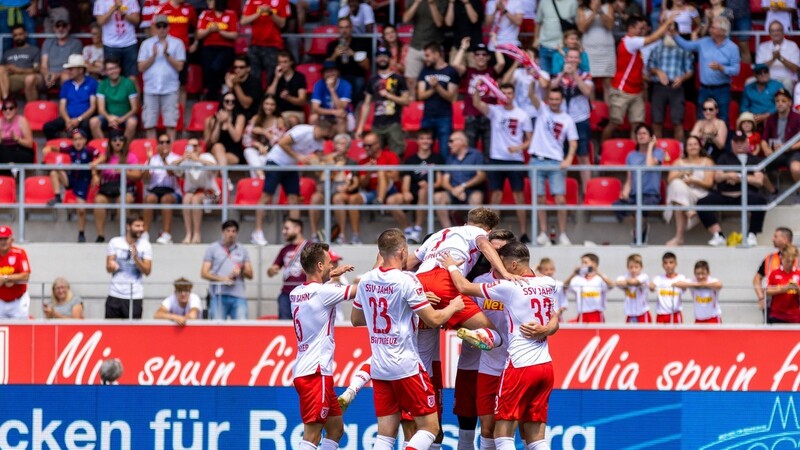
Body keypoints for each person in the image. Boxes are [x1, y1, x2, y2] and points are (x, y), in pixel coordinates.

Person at [351, 228, 464, 450]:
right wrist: (453, 306)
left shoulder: (365, 280)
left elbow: (356, 319)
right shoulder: (407, 280)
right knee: (431, 427)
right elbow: (433, 320)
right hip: (406, 366)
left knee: (385, 434)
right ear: (403, 251)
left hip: (380, 367)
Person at [439, 241, 559, 450]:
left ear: (512, 266)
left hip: (520, 366)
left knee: (502, 433)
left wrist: (450, 265)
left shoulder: (509, 287)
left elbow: (463, 287)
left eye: (501, 263)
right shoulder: (548, 283)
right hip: (545, 366)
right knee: (536, 437)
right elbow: (554, 313)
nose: (496, 267)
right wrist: (548, 328)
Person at [407, 207, 521, 351]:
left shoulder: (439, 234)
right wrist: (504, 272)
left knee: (426, 344)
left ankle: (453, 323)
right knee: (495, 336)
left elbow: (408, 263)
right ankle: (470, 332)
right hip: (444, 279)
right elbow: (484, 245)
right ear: (488, 230)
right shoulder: (478, 232)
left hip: (419, 282)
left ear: (467, 222)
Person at [291, 242, 357, 450]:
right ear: (319, 266)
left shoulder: (296, 293)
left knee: (336, 429)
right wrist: (382, 267)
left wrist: (330, 275)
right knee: (312, 435)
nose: (332, 266)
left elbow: (316, 290)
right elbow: (361, 289)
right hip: (315, 373)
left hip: (308, 369)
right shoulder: (323, 293)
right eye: (329, 263)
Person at [252, 120, 335, 246]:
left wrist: (332, 158)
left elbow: (318, 159)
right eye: (328, 131)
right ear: (322, 128)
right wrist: (299, 157)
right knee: (267, 196)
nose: (329, 134)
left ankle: (295, 235)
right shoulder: (302, 130)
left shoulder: (320, 142)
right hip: (275, 161)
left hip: (291, 166)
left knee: (293, 199)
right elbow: (282, 143)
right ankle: (257, 232)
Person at [473, 81, 532, 239]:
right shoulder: (495, 111)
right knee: (496, 195)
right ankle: (493, 233)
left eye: (509, 93)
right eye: (504, 93)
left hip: (515, 159)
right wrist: (478, 87)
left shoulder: (522, 114)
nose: (507, 96)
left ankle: (524, 232)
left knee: (519, 195)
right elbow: (476, 103)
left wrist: (519, 148)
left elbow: (529, 140)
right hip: (496, 158)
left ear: (514, 95)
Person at [602, 15, 674, 142]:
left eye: (644, 28)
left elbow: (635, 70)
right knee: (614, 123)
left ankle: (636, 153)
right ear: (631, 28)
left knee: (637, 125)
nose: (643, 31)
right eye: (640, 28)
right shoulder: (630, 41)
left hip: (636, 91)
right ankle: (601, 152)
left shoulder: (635, 45)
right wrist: (668, 22)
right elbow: (653, 38)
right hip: (622, 90)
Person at [697, 130, 767, 247]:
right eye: (736, 141)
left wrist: (739, 177)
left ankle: (752, 235)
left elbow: (759, 181)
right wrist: (728, 175)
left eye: (742, 141)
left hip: (745, 195)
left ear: (747, 143)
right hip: (724, 195)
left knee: (760, 200)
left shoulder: (755, 159)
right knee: (702, 202)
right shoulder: (724, 158)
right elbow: (717, 177)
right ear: (732, 143)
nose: (739, 144)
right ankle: (718, 235)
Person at [528, 87, 578, 246]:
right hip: (536, 160)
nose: (554, 102)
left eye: (557, 99)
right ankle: (543, 233)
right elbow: (531, 94)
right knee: (540, 198)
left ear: (562, 100)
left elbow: (573, 142)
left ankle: (562, 234)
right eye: (552, 99)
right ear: (548, 99)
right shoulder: (542, 110)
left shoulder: (567, 119)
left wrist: (569, 158)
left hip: (556, 161)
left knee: (560, 199)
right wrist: (533, 75)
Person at [336, 132, 404, 245]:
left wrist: (378, 170)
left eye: (369, 145)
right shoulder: (363, 162)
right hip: (372, 192)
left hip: (390, 190)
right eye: (364, 145)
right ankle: (355, 236)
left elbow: (396, 177)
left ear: (378, 144)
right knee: (353, 200)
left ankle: (380, 201)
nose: (366, 148)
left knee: (381, 171)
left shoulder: (390, 156)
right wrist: (368, 171)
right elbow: (363, 184)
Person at [673, 16, 740, 123]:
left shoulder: (732, 48)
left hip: (722, 89)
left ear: (722, 31)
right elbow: (686, 46)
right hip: (704, 88)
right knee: (702, 118)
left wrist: (721, 68)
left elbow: (736, 70)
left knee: (723, 118)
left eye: (713, 27)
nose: (710, 29)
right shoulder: (704, 42)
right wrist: (674, 34)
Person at [47, 128, 102, 243]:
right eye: (75, 139)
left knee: (81, 210)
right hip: (72, 179)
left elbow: (102, 156)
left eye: (80, 139)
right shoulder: (70, 149)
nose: (78, 142)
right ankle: (57, 196)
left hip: (83, 182)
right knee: (54, 171)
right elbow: (58, 148)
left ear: (85, 140)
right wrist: (49, 148)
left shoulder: (89, 149)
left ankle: (81, 233)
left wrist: (95, 163)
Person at [137, 14, 186, 142]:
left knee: (170, 123)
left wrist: (166, 54)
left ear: (169, 27)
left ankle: (169, 155)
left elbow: (180, 67)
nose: (162, 29)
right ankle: (152, 155)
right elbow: (141, 67)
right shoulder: (147, 44)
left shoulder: (177, 43)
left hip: (170, 89)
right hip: (150, 89)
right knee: (149, 123)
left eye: (164, 26)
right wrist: (153, 56)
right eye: (159, 26)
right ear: (154, 27)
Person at [613, 124, 665, 244]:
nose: (641, 136)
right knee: (618, 206)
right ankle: (642, 228)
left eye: (644, 133)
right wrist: (625, 192)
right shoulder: (631, 155)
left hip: (650, 195)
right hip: (634, 194)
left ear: (651, 137)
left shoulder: (658, 153)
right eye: (639, 134)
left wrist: (651, 147)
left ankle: (638, 238)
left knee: (639, 211)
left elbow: (649, 165)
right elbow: (629, 178)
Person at [552, 47, 594, 192]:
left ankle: (587, 191)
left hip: (580, 119)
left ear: (580, 60)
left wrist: (574, 75)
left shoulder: (586, 75)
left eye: (576, 57)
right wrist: (563, 73)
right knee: (560, 157)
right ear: (566, 59)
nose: (573, 60)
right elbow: (550, 88)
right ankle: (559, 191)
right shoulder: (559, 75)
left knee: (583, 156)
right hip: (562, 120)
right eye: (570, 57)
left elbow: (587, 91)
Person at [452, 39, 505, 152]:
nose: (481, 57)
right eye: (477, 54)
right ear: (474, 57)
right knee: (470, 150)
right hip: (472, 115)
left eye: (484, 54)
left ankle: (487, 170)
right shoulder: (468, 71)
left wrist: (496, 45)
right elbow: (455, 64)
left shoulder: (492, 71)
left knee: (489, 149)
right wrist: (463, 47)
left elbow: (501, 63)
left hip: (489, 116)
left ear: (488, 57)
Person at [355, 46, 409, 157]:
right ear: (375, 59)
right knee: (374, 154)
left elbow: (406, 101)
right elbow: (366, 104)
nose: (382, 59)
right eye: (379, 56)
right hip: (377, 123)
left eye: (385, 56)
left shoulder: (399, 78)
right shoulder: (372, 79)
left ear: (390, 59)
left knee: (397, 154)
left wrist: (389, 95)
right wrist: (360, 127)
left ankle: (395, 174)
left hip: (393, 122)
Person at [664, 135, 714, 246]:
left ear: (700, 147)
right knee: (676, 184)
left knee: (678, 200)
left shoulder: (707, 162)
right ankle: (688, 210)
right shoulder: (678, 162)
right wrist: (682, 173)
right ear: (685, 148)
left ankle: (679, 237)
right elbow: (670, 180)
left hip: (699, 195)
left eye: (695, 144)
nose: (693, 147)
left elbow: (709, 183)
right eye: (690, 145)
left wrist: (693, 181)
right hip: (682, 194)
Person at [92, 131, 142, 243]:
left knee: (122, 201)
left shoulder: (130, 156)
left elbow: (137, 175)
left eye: (120, 140)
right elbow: (94, 165)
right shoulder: (105, 157)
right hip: (109, 188)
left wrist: (124, 171)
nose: (117, 142)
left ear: (124, 142)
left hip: (125, 187)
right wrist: (95, 174)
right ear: (110, 143)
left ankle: (124, 234)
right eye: (114, 140)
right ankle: (100, 235)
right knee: (99, 200)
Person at [201, 220, 254, 320]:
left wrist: (241, 270)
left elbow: (250, 274)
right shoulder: (212, 248)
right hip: (218, 295)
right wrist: (223, 279)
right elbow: (204, 273)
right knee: (217, 329)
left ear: (237, 233)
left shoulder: (243, 249)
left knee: (241, 328)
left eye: (234, 231)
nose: (231, 234)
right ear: (223, 232)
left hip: (238, 295)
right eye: (228, 231)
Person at [647, 34, 694, 143]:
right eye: (668, 31)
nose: (670, 34)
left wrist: (682, 78)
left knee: (678, 122)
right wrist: (658, 72)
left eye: (672, 31)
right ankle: (656, 151)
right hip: (659, 86)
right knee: (656, 121)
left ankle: (679, 152)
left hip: (676, 87)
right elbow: (650, 67)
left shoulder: (684, 49)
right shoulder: (657, 49)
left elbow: (690, 71)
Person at [433, 131, 486, 228]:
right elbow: (445, 181)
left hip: (471, 189)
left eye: (451, 141)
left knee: (476, 198)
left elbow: (481, 176)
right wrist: (454, 190)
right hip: (454, 191)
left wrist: (462, 187)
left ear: (461, 142)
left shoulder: (476, 155)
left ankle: (473, 233)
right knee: (438, 197)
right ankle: (448, 231)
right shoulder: (450, 158)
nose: (449, 144)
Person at [400, 130, 444, 244]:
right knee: (391, 200)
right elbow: (406, 181)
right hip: (413, 192)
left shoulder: (437, 158)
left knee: (424, 190)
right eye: (422, 138)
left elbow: (439, 182)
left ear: (432, 141)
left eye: (428, 138)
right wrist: (405, 192)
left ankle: (417, 229)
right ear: (417, 141)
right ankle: (408, 228)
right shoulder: (410, 160)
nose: (425, 141)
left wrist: (430, 185)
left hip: (430, 192)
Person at [105, 215, 153, 319]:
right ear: (128, 226)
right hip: (115, 293)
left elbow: (147, 271)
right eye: (137, 225)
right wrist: (112, 266)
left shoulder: (146, 245)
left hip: (135, 295)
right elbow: (108, 267)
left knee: (133, 332)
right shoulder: (115, 242)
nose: (141, 229)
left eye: (142, 226)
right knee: (111, 330)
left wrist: (135, 257)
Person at [417, 42, 460, 158]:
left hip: (444, 117)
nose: (426, 58)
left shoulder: (451, 71)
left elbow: (451, 97)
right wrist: (433, 88)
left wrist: (437, 87)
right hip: (427, 116)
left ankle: (444, 175)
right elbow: (420, 95)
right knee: (425, 151)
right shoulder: (425, 71)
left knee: (445, 151)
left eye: (428, 55)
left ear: (436, 54)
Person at [43, 54, 97, 140]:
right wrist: (68, 120)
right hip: (68, 118)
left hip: (84, 119)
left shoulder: (92, 83)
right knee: (48, 127)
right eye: (68, 69)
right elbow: (62, 107)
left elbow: (93, 107)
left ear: (80, 70)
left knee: (86, 128)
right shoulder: (66, 84)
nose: (68, 71)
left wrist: (78, 120)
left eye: (71, 69)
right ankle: (61, 144)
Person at [402, 0, 447, 100]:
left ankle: (436, 105)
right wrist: (417, 2)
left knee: (439, 79)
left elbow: (439, 23)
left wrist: (432, 4)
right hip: (416, 44)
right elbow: (405, 19)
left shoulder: (442, 1)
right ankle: (413, 106)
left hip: (434, 48)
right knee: (411, 81)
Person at [178, 138, 220, 244]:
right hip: (193, 194)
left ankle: (197, 234)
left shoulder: (206, 157)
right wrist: (182, 159)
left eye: (195, 146)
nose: (193, 148)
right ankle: (188, 234)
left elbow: (216, 168)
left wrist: (197, 160)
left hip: (213, 195)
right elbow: (173, 170)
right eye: (190, 146)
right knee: (187, 198)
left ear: (200, 148)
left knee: (196, 199)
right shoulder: (185, 161)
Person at [142, 134, 182, 244]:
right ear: (158, 144)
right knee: (149, 199)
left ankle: (166, 234)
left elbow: (171, 173)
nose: (164, 144)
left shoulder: (176, 158)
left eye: (167, 142)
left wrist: (164, 159)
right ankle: (145, 234)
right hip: (154, 191)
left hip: (172, 191)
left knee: (166, 199)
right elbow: (145, 179)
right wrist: (149, 160)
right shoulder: (152, 159)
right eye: (161, 142)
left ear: (171, 144)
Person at [196, 0, 239, 101]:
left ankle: (222, 87)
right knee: (208, 71)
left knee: (216, 67)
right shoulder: (205, 14)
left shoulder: (231, 14)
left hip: (226, 48)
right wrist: (209, 30)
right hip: (209, 48)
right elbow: (199, 34)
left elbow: (234, 35)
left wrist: (219, 31)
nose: (208, 2)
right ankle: (213, 97)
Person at [90, 58, 139, 142]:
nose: (113, 71)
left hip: (125, 116)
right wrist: (109, 118)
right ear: (105, 72)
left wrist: (121, 119)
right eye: (110, 69)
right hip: (109, 117)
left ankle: (124, 150)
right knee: (93, 122)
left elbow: (135, 108)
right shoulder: (102, 84)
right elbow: (101, 109)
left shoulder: (128, 83)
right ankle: (105, 149)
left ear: (119, 69)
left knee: (132, 123)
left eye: (115, 68)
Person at [268, 218, 308, 319]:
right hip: (286, 294)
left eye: (286, 228)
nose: (283, 232)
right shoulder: (284, 249)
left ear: (297, 229)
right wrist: (272, 270)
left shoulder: (310, 246)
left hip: (306, 294)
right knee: (284, 327)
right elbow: (271, 271)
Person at [242, 0, 290, 86]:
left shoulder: (282, 1)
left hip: (273, 45)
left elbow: (282, 24)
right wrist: (259, 13)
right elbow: (243, 21)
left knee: (271, 77)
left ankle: (270, 98)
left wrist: (271, 13)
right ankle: (255, 98)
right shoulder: (251, 1)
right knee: (254, 77)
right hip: (255, 45)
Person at [325, 17, 370, 104]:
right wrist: (334, 55)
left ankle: (352, 107)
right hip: (338, 76)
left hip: (356, 76)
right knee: (333, 82)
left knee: (359, 83)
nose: (344, 31)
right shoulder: (332, 45)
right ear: (338, 29)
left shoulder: (360, 43)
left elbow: (367, 66)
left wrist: (353, 54)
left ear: (351, 28)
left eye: (346, 27)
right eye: (341, 28)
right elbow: (326, 66)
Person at [578, 0, 615, 102]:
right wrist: (594, 12)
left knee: (608, 82)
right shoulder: (582, 8)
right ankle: (593, 113)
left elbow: (610, 25)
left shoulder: (608, 6)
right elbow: (582, 28)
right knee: (590, 81)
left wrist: (600, 11)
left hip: (606, 49)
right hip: (589, 49)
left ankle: (610, 114)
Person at [93, 0, 141, 80]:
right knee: (111, 75)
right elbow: (100, 21)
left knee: (131, 76)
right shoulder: (100, 1)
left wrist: (124, 13)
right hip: (110, 44)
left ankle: (131, 93)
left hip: (129, 43)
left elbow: (136, 20)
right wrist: (114, 7)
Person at [761, 88, 800, 185]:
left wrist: (788, 147)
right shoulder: (771, 118)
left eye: (783, 101)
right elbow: (764, 140)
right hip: (775, 152)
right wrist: (766, 150)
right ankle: (772, 192)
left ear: (790, 103)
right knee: (758, 168)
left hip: (792, 153)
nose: (780, 103)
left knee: (796, 169)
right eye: (777, 101)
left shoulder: (798, 118)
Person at [38, 12, 83, 94]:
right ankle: (34, 106)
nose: (60, 28)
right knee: (30, 79)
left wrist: (56, 76)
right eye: (58, 26)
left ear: (69, 27)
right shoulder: (47, 42)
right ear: (54, 28)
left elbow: (73, 66)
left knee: (65, 77)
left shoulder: (76, 43)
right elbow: (43, 65)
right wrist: (47, 75)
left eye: (64, 25)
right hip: (49, 75)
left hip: (66, 74)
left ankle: (65, 105)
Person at [753, 227, 796, 312]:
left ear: (785, 239)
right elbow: (756, 279)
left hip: (794, 308)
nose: (772, 239)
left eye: (775, 236)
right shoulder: (770, 258)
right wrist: (761, 298)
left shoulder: (797, 259)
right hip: (771, 307)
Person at [243, 95, 287, 178]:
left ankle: (259, 181)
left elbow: (280, 142)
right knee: (248, 151)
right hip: (257, 151)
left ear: (276, 106)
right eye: (266, 104)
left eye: (272, 104)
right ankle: (261, 176)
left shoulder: (279, 120)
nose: (269, 107)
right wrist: (259, 145)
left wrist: (264, 132)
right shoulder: (256, 118)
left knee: (256, 163)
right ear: (262, 105)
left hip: (272, 153)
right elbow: (245, 139)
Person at [564, 253, 614, 322]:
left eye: (585, 262)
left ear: (594, 264)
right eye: (582, 263)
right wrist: (573, 274)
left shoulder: (600, 278)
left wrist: (598, 273)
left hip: (596, 312)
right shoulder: (578, 278)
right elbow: (564, 286)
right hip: (582, 313)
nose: (583, 265)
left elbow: (611, 285)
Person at [205, 92, 247, 167]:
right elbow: (213, 140)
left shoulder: (240, 117)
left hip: (233, 152)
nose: (230, 103)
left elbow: (236, 138)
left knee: (217, 162)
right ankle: (225, 178)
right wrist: (218, 123)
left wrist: (227, 122)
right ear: (222, 102)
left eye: (233, 101)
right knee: (218, 146)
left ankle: (222, 178)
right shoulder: (213, 119)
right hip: (215, 151)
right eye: (227, 101)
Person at [535, 0, 578, 74]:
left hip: (563, 48)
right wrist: (536, 39)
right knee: (544, 77)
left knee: (560, 78)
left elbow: (577, 25)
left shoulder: (573, 2)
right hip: (544, 46)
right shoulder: (544, 2)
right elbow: (538, 22)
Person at [310, 61, 353, 134]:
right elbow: (315, 108)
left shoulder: (345, 85)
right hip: (326, 115)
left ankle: (341, 141)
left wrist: (332, 89)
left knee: (341, 117)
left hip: (344, 115)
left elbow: (341, 107)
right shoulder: (319, 84)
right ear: (323, 74)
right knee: (313, 117)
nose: (330, 74)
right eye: (327, 72)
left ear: (338, 72)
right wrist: (333, 112)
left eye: (333, 71)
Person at [266, 51, 308, 127]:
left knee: (292, 120)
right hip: (276, 111)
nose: (282, 65)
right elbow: (268, 95)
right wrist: (276, 78)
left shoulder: (299, 77)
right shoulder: (274, 76)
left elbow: (302, 101)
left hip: (294, 112)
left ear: (291, 62)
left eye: (285, 62)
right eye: (280, 62)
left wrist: (288, 98)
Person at [756, 22, 800, 91]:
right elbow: (758, 68)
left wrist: (780, 58)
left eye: (778, 30)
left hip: (786, 78)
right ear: (769, 33)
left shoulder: (792, 45)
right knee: (749, 82)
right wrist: (773, 59)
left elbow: (796, 69)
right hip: (767, 78)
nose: (776, 33)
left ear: (783, 32)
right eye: (773, 31)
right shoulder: (763, 46)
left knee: (787, 82)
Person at [0, 25, 40, 101]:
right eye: (15, 35)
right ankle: (5, 99)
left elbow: (37, 70)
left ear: (25, 34)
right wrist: (8, 69)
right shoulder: (8, 52)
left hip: (25, 77)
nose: (18, 37)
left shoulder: (34, 50)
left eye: (20, 34)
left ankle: (5, 102)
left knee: (30, 78)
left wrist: (18, 70)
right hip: (8, 79)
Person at [0, 225, 30, 320]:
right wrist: (13, 278)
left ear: (11, 239)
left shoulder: (19, 253)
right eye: (0, 239)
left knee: (21, 331)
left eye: (5, 238)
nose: (3, 242)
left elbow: (26, 276)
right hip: (0, 301)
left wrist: (6, 278)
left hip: (18, 301)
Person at [766, 245, 800, 323]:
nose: (790, 264)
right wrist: (782, 289)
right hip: (777, 315)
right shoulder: (774, 273)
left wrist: (797, 289)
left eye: (793, 261)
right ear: (782, 258)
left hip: (794, 315)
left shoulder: (798, 273)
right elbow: (767, 291)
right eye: (788, 261)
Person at [649, 252, 687, 324]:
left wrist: (679, 284)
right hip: (661, 314)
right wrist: (651, 286)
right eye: (665, 263)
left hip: (675, 314)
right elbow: (651, 288)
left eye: (671, 262)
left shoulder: (681, 278)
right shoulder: (658, 278)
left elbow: (685, 286)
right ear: (662, 265)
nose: (668, 265)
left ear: (676, 264)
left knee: (677, 335)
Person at [0, 98, 34, 176]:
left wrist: (17, 139)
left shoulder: (22, 121)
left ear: (16, 109)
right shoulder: (0, 122)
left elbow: (30, 144)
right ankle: (12, 167)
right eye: (5, 109)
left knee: (25, 155)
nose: (7, 111)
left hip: (19, 150)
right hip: (5, 151)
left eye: (11, 108)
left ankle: (11, 168)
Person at [224, 54, 263, 120]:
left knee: (240, 118)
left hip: (250, 116)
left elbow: (246, 105)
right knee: (211, 120)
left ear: (248, 68)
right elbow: (228, 101)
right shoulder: (232, 79)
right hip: (234, 113)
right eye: (235, 67)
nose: (237, 70)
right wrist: (229, 87)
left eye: (241, 67)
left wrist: (236, 85)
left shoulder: (254, 82)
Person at [615, 253, 652, 323]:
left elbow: (635, 282)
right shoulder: (625, 276)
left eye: (636, 267)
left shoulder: (644, 276)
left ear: (641, 267)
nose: (633, 270)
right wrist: (627, 282)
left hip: (642, 312)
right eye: (631, 267)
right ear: (627, 268)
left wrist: (626, 283)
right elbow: (617, 282)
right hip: (630, 313)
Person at [690, 97, 728, 161]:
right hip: (701, 154)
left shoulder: (721, 123)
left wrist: (713, 136)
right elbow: (692, 139)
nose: (707, 112)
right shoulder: (699, 123)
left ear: (716, 110)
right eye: (705, 109)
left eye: (711, 109)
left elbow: (721, 146)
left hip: (717, 155)